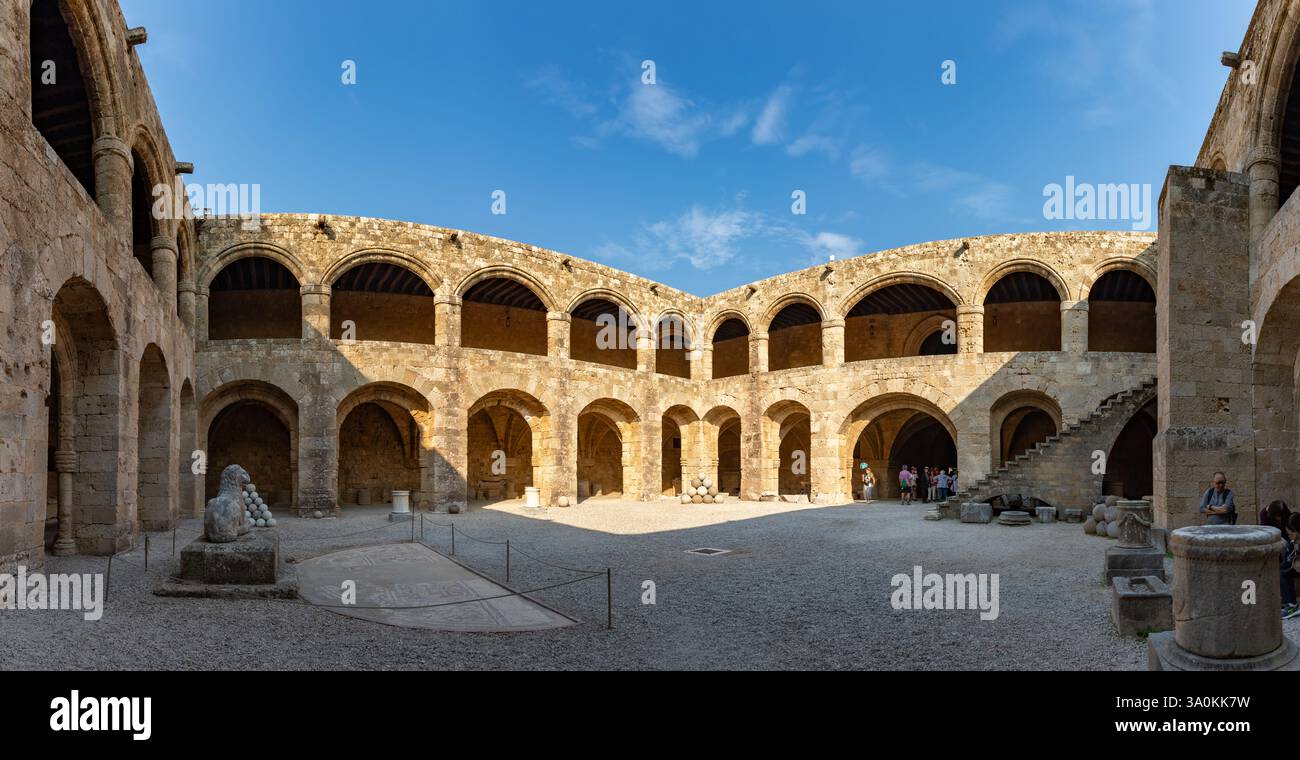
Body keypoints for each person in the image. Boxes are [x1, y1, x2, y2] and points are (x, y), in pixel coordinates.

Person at [1282, 514, 1300, 619]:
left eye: (1292, 531)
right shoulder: (1294, 540)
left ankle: (1292, 605)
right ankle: (1289, 602)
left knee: (1284, 574)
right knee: (1283, 571)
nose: (1290, 534)